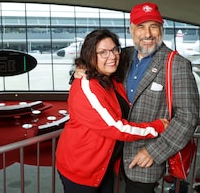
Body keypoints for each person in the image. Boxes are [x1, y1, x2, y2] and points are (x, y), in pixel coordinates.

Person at [73, 2, 200, 193]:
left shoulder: (177, 65)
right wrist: (79, 71)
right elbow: (96, 72)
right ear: (131, 30)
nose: (147, 34)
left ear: (161, 30)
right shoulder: (123, 56)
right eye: (141, 27)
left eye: (153, 26)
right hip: (112, 157)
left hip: (145, 162)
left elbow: (187, 117)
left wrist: (155, 152)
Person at [56, 29, 169, 193]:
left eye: (115, 49)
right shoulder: (86, 86)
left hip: (103, 166)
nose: (112, 56)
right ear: (90, 56)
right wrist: (157, 127)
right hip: (80, 169)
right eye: (103, 52)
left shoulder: (111, 80)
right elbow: (116, 128)